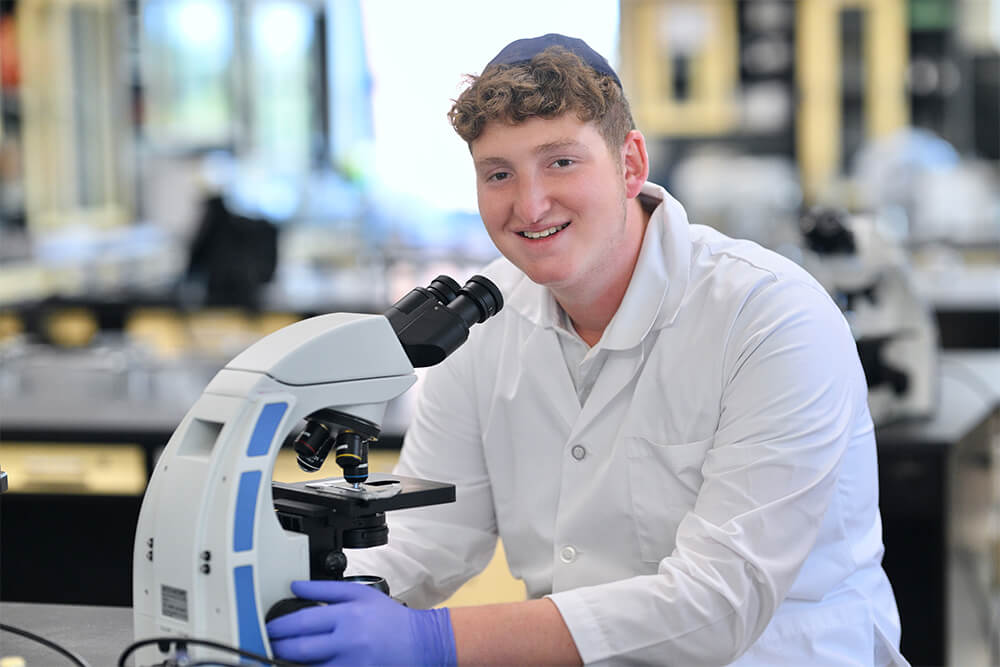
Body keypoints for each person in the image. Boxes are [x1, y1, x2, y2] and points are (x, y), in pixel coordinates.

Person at [265, 34, 909, 666]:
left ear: (630, 163)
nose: (530, 203)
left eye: (561, 162)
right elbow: (432, 532)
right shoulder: (482, 325)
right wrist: (289, 603)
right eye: (499, 174)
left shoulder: (769, 316)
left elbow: (718, 603)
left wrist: (436, 641)